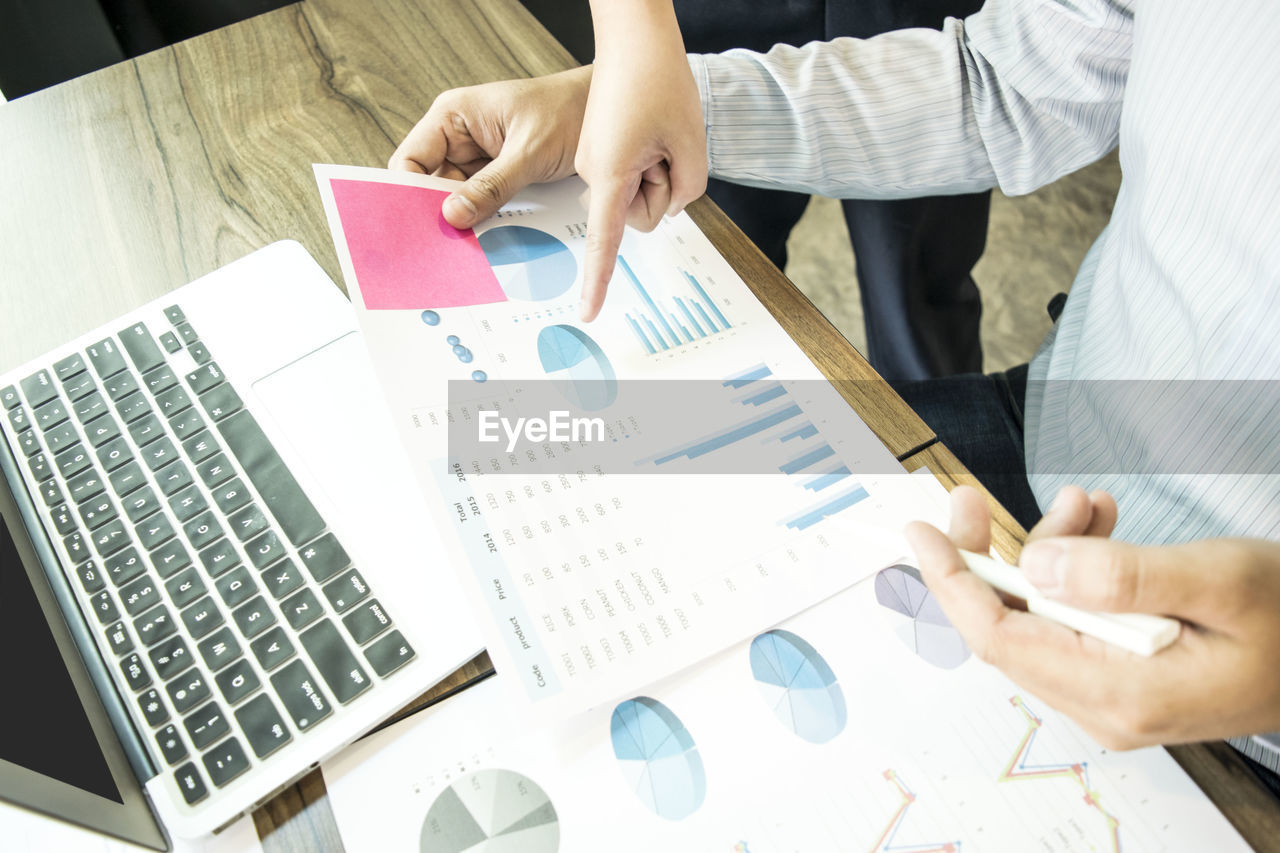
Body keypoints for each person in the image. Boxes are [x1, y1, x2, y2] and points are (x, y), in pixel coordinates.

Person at [388, 0, 1280, 781]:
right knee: (516, 536)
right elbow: (1009, 81)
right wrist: (642, 99)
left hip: (1248, 720)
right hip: (1058, 432)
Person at [673, 0, 990, 379]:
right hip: (719, 17)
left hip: (919, 15)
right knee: (720, 279)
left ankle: (937, 431)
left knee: (918, 297)